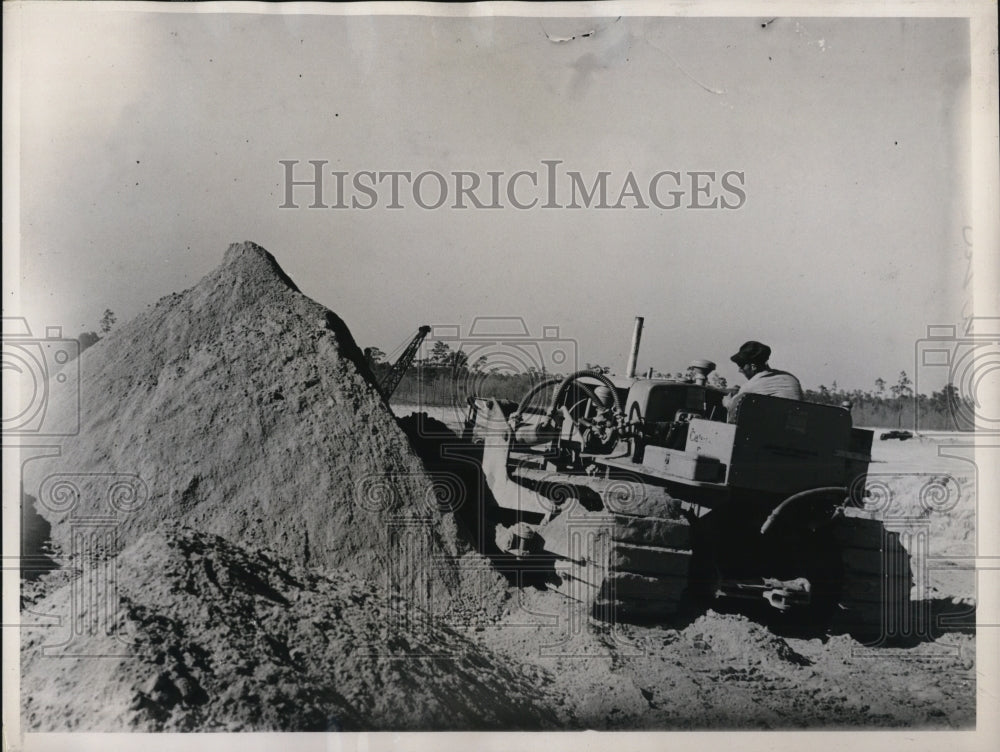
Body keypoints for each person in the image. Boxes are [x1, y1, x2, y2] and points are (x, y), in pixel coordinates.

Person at [722, 340, 802, 422]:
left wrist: (727, 403)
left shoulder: (750, 386)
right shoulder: (791, 378)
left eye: (741, 365)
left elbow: (733, 416)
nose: (740, 370)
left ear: (753, 366)